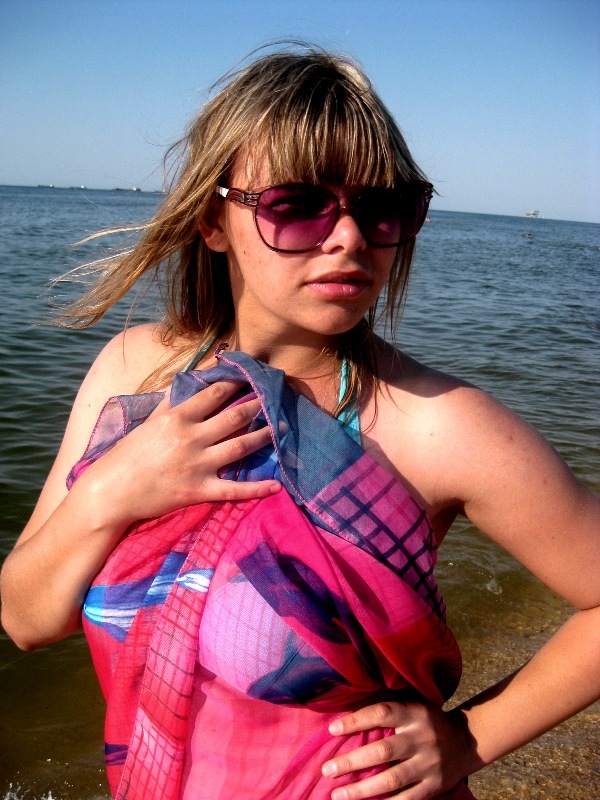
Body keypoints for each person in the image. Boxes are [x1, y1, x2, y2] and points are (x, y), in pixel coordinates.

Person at [1, 45, 599, 800]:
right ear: (212, 221)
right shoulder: (135, 372)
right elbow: (27, 620)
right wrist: (112, 490)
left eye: (381, 207)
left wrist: (465, 740)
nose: (349, 238)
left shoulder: (437, 427)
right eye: (296, 204)